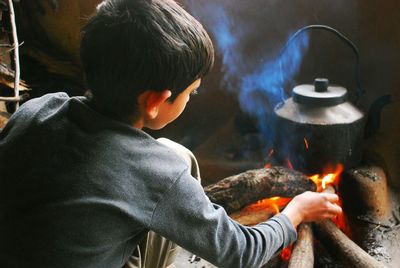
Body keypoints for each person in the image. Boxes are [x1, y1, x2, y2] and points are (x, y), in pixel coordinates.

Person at [0, 0, 342, 267]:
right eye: (191, 92)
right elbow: (241, 253)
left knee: (176, 156)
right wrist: (295, 212)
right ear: (154, 102)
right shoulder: (156, 175)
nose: (191, 98)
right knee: (173, 164)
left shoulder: (37, 110)